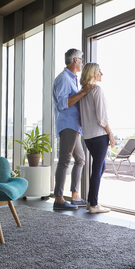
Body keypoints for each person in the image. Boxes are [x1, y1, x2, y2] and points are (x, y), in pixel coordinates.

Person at [52, 49, 94, 210]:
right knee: (64, 160)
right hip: (67, 125)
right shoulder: (63, 79)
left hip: (74, 126)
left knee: (81, 159)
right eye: (81, 59)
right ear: (75, 60)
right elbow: (63, 104)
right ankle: (59, 199)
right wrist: (83, 92)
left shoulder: (73, 79)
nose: (82, 62)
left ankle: (75, 195)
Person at [79, 63, 116, 214]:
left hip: (88, 137)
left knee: (101, 167)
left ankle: (90, 201)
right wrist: (110, 134)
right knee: (97, 168)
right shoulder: (97, 90)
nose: (102, 73)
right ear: (93, 73)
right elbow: (102, 118)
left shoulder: (83, 92)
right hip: (99, 135)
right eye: (99, 71)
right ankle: (94, 204)